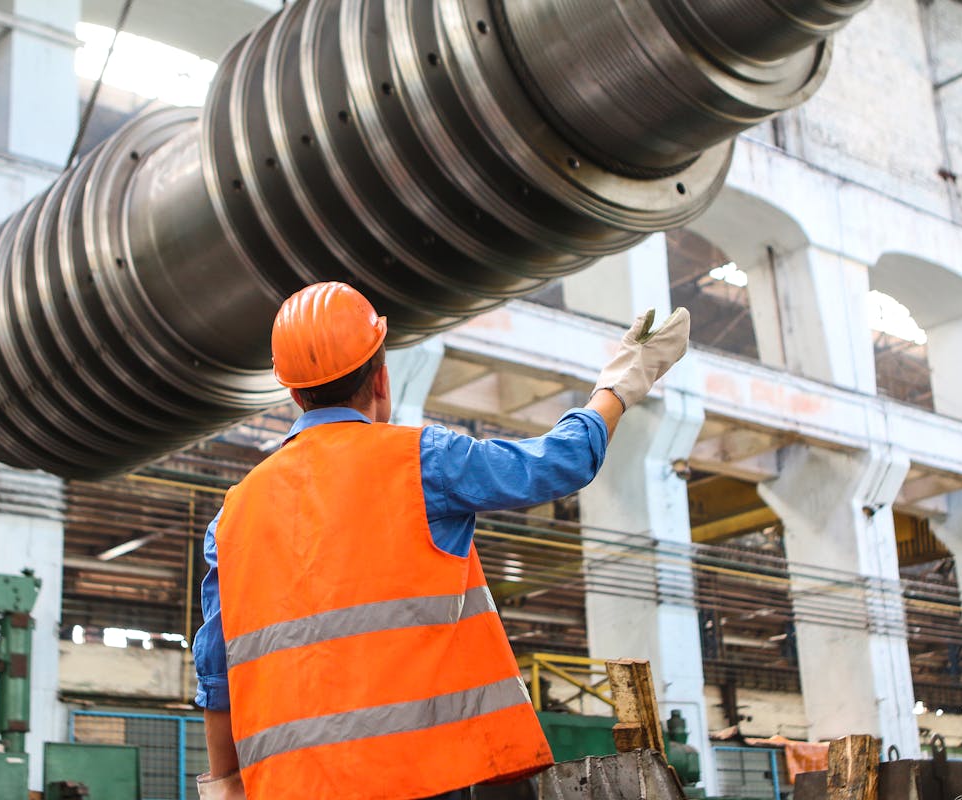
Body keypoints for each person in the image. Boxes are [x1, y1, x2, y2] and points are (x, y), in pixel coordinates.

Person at [193, 282, 690, 800]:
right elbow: (558, 464)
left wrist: (227, 784)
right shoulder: (423, 461)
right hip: (423, 779)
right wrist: (622, 382)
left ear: (293, 393)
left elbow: (215, 674)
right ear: (382, 378)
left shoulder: (232, 516)